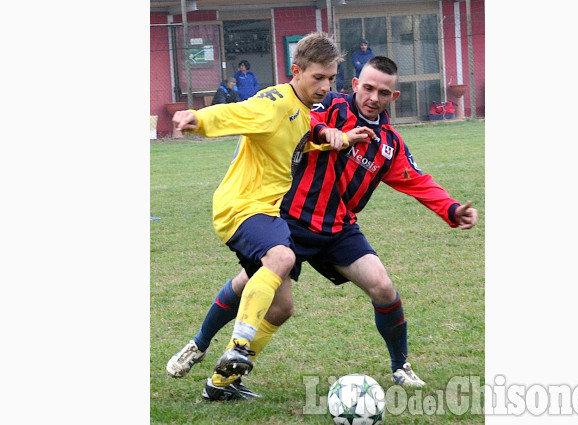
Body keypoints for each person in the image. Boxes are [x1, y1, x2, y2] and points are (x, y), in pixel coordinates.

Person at [167, 56, 479, 401]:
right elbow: (301, 119)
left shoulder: (388, 144)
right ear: (356, 84)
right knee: (260, 292)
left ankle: (400, 365)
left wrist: (451, 209)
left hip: (338, 228)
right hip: (287, 220)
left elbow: (415, 179)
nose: (374, 97)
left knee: (383, 287)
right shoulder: (326, 103)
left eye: (384, 92)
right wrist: (328, 132)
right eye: (369, 88)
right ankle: (201, 345)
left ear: (394, 96)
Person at [170, 32, 349, 400]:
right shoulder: (273, 102)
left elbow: (302, 134)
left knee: (281, 307)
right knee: (281, 257)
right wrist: (197, 119)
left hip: (267, 211)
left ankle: (219, 382)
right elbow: (236, 111)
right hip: (242, 205)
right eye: (318, 77)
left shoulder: (301, 109)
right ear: (296, 71)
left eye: (331, 78)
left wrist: (337, 137)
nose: (326, 86)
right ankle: (238, 345)